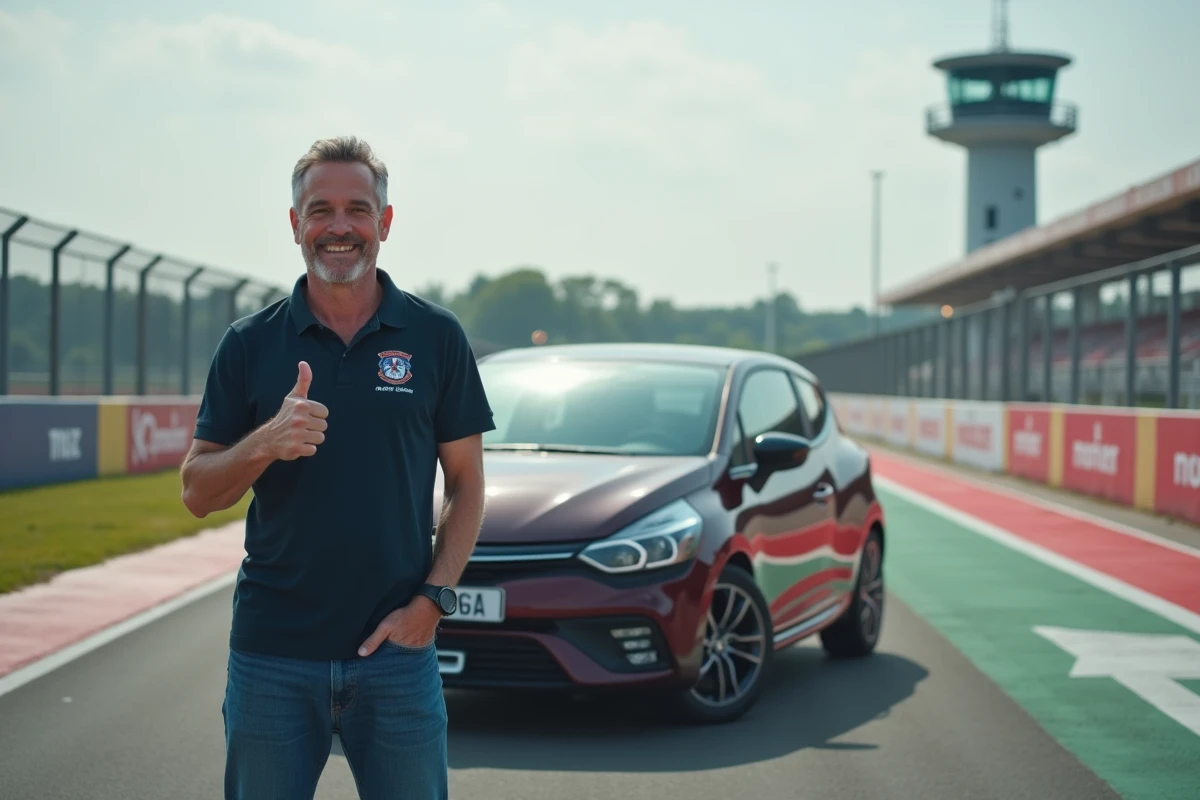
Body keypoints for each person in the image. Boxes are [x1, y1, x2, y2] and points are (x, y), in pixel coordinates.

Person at [180, 135, 493, 800]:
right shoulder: (249, 343)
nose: (339, 226)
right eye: (321, 210)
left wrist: (433, 602)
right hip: (271, 656)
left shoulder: (436, 336)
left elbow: (466, 485)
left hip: (398, 655)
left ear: (385, 221)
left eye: (358, 209)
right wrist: (265, 442)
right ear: (296, 223)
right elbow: (197, 493)